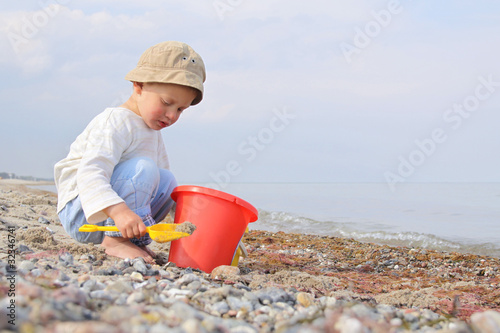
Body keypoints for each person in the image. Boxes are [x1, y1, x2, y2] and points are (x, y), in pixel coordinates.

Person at [54, 41, 206, 263]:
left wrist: (197, 224)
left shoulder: (153, 132)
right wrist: (118, 211)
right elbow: (90, 173)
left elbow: (160, 188)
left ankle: (130, 239)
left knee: (167, 180)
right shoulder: (115, 121)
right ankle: (115, 241)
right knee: (143, 168)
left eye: (180, 109)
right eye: (166, 102)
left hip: (119, 217)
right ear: (139, 86)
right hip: (83, 212)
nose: (172, 115)